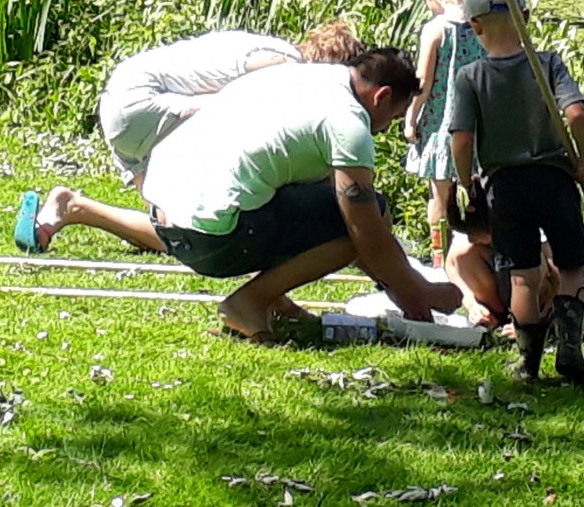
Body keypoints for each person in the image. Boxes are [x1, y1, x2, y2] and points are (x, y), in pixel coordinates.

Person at [147, 48, 464, 341]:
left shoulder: (306, 77)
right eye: (392, 118)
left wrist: (401, 285)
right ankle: (249, 303)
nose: (381, 130)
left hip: (165, 217)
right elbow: (365, 230)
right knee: (361, 220)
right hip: (213, 239)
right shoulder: (348, 122)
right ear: (382, 96)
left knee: (303, 196)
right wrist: (418, 290)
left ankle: (276, 302)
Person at [17, 21, 368, 255]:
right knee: (196, 229)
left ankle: (67, 210)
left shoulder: (273, 46)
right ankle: (73, 208)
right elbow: (254, 109)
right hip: (146, 101)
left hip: (118, 103)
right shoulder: (286, 64)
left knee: (173, 233)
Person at [448, 0, 584, 387]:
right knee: (571, 265)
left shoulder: (470, 77)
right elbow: (577, 115)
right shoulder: (547, 64)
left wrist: (466, 182)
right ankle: (569, 351)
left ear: (474, 26)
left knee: (522, 275)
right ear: (526, 18)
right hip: (554, 179)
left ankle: (527, 365)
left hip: (503, 187)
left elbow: (461, 140)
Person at [401, 0, 504, 326]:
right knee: (480, 192)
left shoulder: (435, 29)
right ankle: (480, 253)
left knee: (439, 196)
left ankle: (440, 261)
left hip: (442, 125)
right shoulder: (481, 25)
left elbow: (423, 85)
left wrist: (410, 119)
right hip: (479, 124)